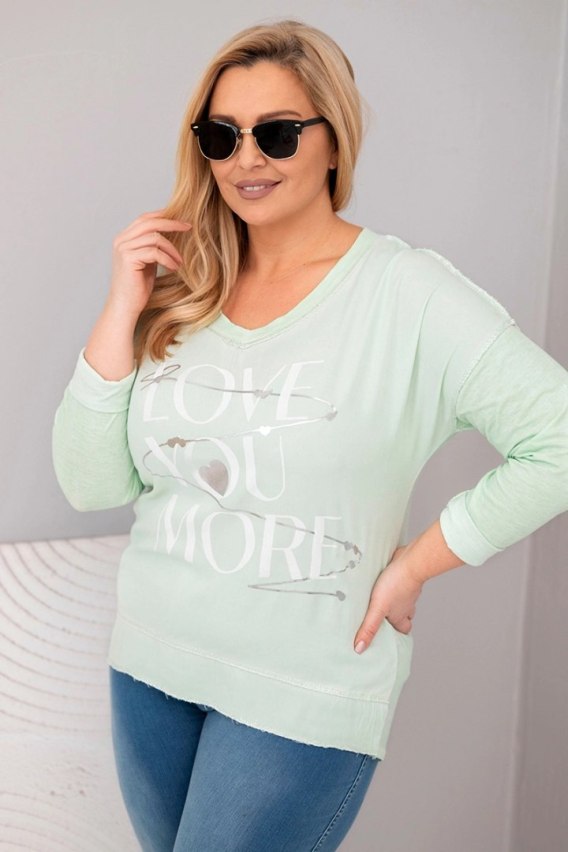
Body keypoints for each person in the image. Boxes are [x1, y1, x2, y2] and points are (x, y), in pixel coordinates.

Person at [51, 17, 568, 852]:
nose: (246, 159)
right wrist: (122, 305)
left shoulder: (407, 294)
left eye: (278, 133)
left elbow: (559, 439)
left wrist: (418, 562)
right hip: (151, 664)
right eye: (222, 136)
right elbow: (92, 484)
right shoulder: (185, 288)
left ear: (334, 142)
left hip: (301, 692)